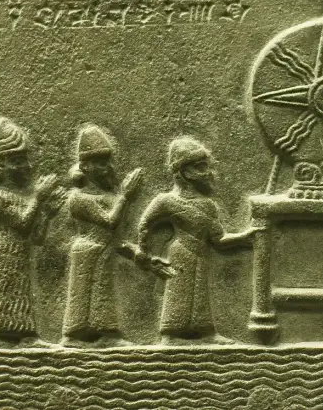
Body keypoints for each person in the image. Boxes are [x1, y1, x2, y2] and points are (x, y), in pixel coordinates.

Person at [135, 137, 256, 345]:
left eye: (207, 167)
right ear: (184, 171)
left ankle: (205, 333)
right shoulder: (166, 201)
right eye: (201, 167)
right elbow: (144, 224)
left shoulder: (208, 206)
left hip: (200, 255)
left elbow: (219, 240)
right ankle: (170, 335)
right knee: (179, 292)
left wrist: (245, 237)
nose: (208, 173)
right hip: (180, 253)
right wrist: (143, 251)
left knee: (199, 295)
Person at [0, 117, 66, 347]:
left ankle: (26, 335)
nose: (27, 166)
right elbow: (23, 224)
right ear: (1, 163)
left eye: (25, 159)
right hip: (2, 251)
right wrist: (38, 197)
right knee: (1, 294)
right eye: (18, 160)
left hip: (19, 251)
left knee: (20, 295)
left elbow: (36, 238)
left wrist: (48, 215)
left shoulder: (17, 197)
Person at [61, 124, 143, 348]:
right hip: (88, 251)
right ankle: (74, 337)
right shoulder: (78, 198)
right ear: (85, 166)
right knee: (85, 297)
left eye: (107, 162)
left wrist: (136, 253)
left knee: (102, 294)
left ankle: (106, 334)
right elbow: (109, 221)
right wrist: (125, 196)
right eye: (101, 163)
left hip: (104, 250)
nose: (107, 168)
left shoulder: (108, 196)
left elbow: (114, 236)